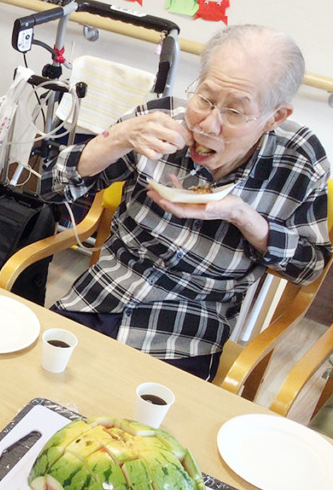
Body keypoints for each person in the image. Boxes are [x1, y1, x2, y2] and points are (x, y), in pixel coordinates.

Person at [46, 24, 330, 380]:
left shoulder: (300, 161)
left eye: (235, 112)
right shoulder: (160, 119)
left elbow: (309, 267)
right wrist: (117, 137)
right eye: (205, 99)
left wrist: (243, 217)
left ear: (275, 117)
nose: (208, 125)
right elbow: (55, 186)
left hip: (188, 329)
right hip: (102, 293)